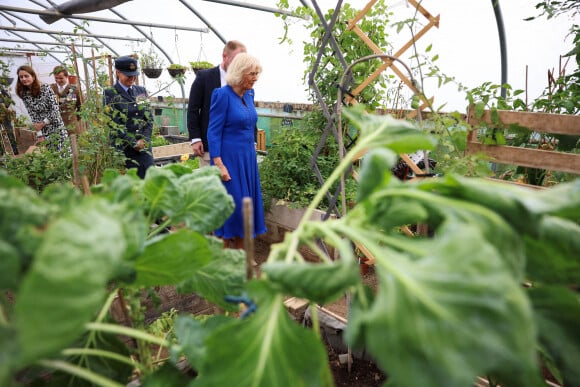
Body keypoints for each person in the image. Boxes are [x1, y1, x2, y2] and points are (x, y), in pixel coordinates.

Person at [207, 53, 267, 249]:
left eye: (257, 74)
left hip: (247, 158)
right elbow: (213, 131)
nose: (256, 78)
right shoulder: (222, 95)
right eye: (252, 74)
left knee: (247, 206)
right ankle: (223, 253)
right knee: (233, 207)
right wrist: (218, 163)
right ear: (240, 73)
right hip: (228, 158)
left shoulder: (249, 95)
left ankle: (241, 253)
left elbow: (251, 125)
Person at [187, 40, 246, 167]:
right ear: (225, 56)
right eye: (237, 60)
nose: (240, 65)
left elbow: (248, 110)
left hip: (236, 147)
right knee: (210, 184)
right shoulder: (205, 77)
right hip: (210, 146)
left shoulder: (243, 80)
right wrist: (196, 138)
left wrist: (253, 140)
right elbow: (193, 109)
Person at [103, 55, 154, 179]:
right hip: (124, 149)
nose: (132, 78)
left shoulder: (141, 91)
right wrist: (133, 142)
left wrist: (144, 140)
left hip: (143, 149)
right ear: (118, 73)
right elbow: (113, 123)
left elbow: (148, 118)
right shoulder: (110, 94)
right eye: (128, 75)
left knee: (149, 181)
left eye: (134, 75)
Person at [15, 65, 69, 153]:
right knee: (49, 158)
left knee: (62, 155)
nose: (24, 79)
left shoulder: (45, 88)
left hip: (56, 127)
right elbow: (33, 115)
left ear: (33, 76)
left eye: (26, 76)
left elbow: (55, 110)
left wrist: (43, 123)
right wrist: (40, 135)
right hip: (43, 131)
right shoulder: (24, 94)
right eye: (21, 77)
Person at [50, 65, 81, 134]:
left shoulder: (73, 90)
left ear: (67, 77)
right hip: (56, 127)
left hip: (71, 126)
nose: (58, 80)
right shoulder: (51, 89)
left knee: (74, 143)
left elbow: (80, 107)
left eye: (61, 78)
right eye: (56, 78)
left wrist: (74, 118)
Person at [0, 79, 19, 155]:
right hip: (4, 113)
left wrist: (7, 108)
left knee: (9, 132)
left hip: (4, 115)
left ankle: (15, 150)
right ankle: (2, 152)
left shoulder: (3, 91)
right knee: (9, 131)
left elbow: (8, 101)